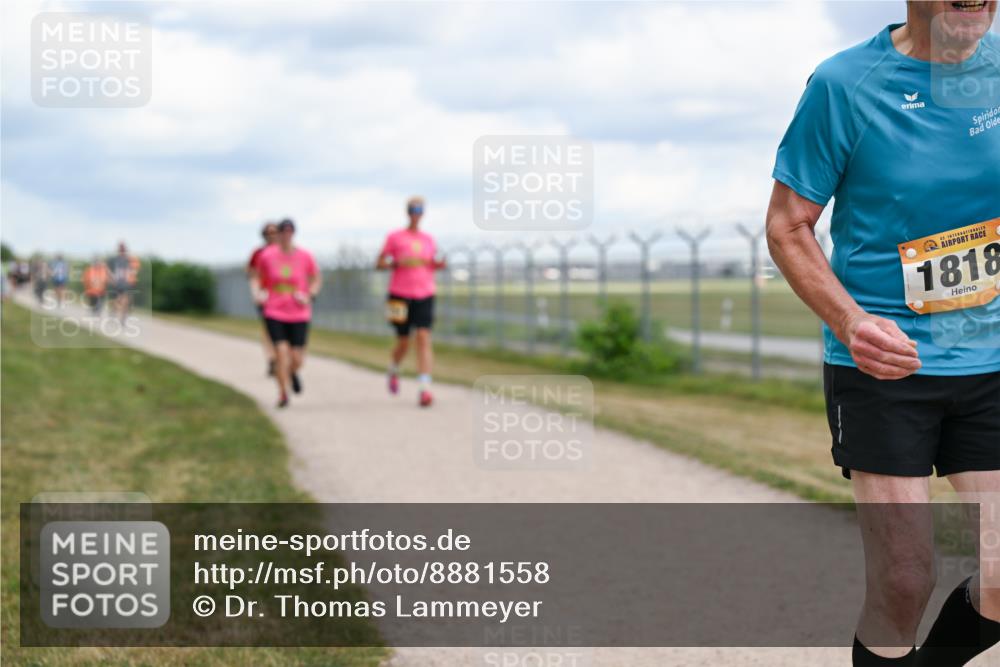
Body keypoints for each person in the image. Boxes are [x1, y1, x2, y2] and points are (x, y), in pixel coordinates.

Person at [766, 3, 999, 665]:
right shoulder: (845, 85)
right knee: (904, 578)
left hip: (990, 361)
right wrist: (852, 322)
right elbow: (787, 225)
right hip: (882, 367)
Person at [376, 196, 446, 408]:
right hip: (399, 294)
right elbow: (380, 262)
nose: (416, 214)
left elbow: (433, 263)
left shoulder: (428, 239)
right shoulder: (394, 237)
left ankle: (425, 388)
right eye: (413, 210)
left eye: (420, 210)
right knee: (404, 342)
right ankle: (394, 368)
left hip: (425, 293)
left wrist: (438, 264)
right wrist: (395, 262)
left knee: (423, 337)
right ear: (408, 212)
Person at [251, 219, 321, 408]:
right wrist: (257, 292)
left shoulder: (305, 256)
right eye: (283, 232)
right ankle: (283, 393)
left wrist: (310, 296)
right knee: (281, 353)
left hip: (299, 312)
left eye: (290, 232)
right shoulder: (266, 255)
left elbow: (315, 279)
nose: (286, 235)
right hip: (274, 310)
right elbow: (256, 277)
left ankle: (291, 372)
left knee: (297, 358)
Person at [248, 222, 279, 376]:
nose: (272, 236)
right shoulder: (258, 253)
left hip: (283, 296)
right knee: (268, 329)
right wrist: (256, 293)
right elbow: (252, 275)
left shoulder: (285, 251)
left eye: (274, 232)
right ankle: (272, 358)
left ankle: (282, 357)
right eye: (269, 233)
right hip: (266, 296)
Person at [108, 242, 140, 323]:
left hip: (127, 284)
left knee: (126, 301)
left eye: (123, 249)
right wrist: (111, 279)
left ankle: (122, 318)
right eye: (121, 249)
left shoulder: (130, 259)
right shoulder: (115, 260)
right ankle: (114, 311)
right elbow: (109, 271)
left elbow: (135, 270)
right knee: (118, 300)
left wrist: (133, 279)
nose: (122, 251)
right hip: (118, 283)